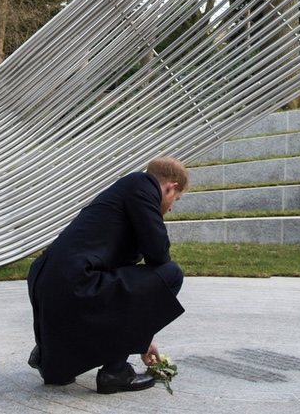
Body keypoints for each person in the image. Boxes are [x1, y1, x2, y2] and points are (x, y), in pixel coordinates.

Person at [26, 156, 188, 394]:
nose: (172, 206)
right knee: (170, 274)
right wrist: (140, 333)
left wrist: (142, 338)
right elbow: (159, 254)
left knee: (58, 375)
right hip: (76, 284)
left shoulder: (123, 192)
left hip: (49, 285)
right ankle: (115, 372)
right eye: (176, 198)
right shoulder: (142, 186)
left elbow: (123, 297)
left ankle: (52, 358)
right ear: (170, 186)